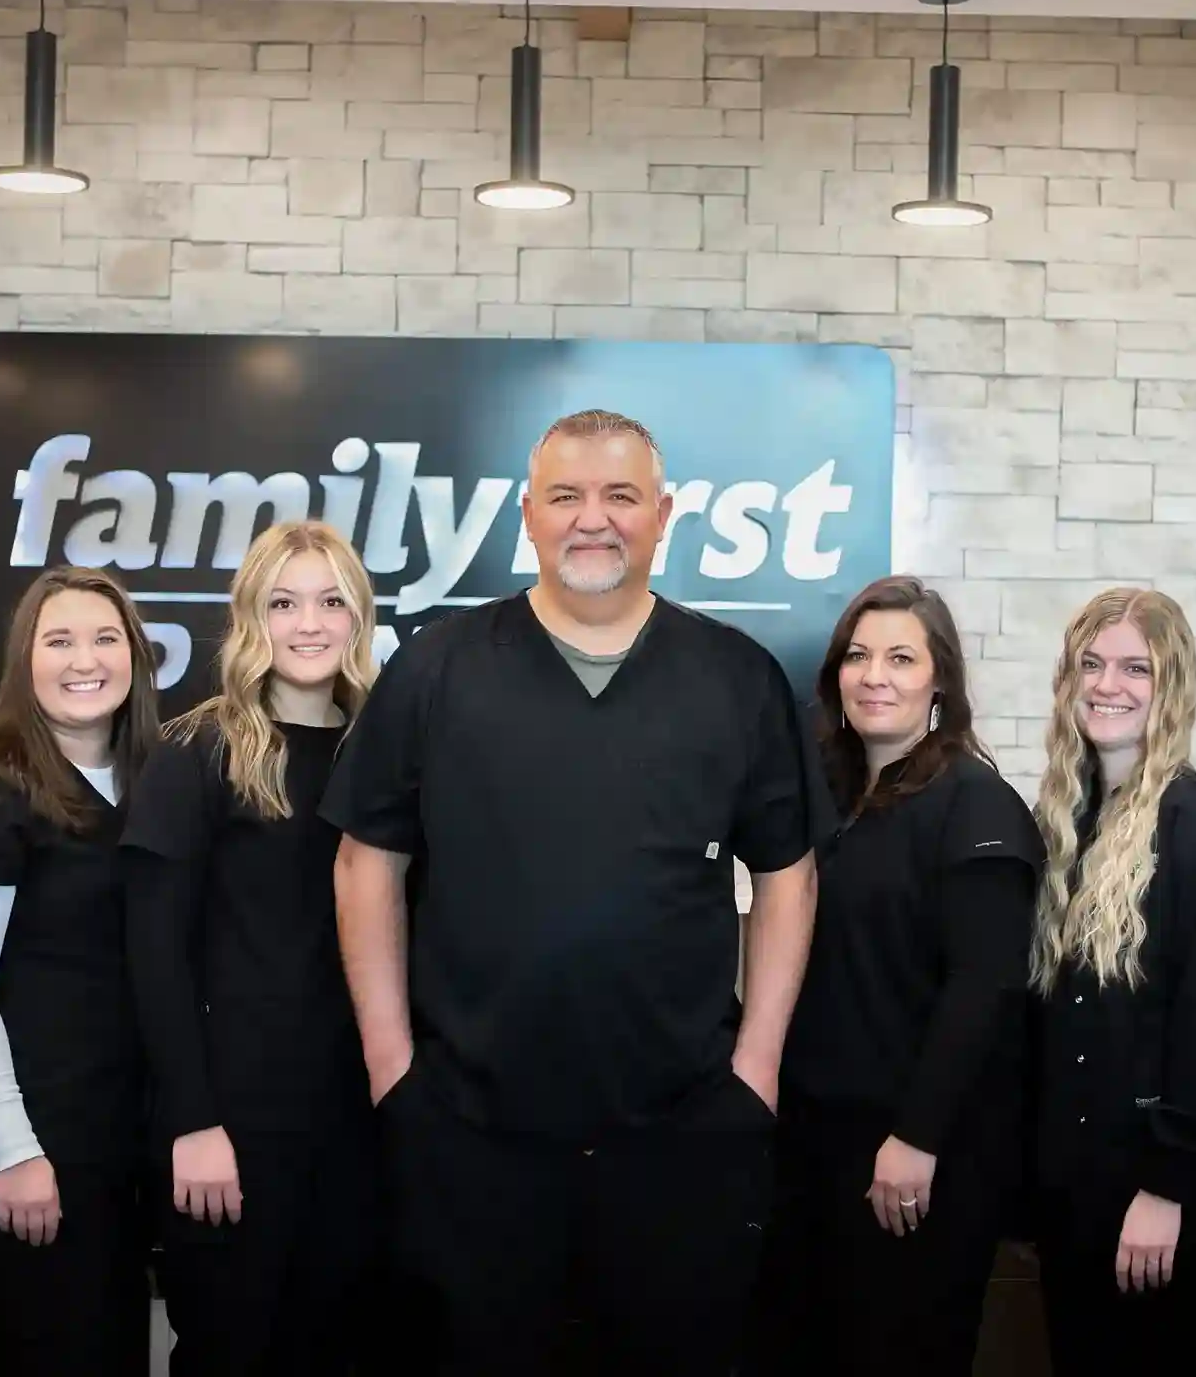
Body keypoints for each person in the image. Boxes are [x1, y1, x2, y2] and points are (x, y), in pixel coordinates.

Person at [321, 408, 822, 1376]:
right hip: (472, 1132)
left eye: (621, 495)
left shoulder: (735, 675)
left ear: (665, 514)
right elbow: (364, 861)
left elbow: (789, 874)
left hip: (680, 1132)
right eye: (567, 495)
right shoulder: (438, 664)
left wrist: (754, 1066)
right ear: (529, 513)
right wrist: (393, 1064)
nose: (594, 518)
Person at [753, 576, 1043, 1376]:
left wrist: (916, 1138)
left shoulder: (977, 806)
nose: (874, 675)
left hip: (917, 1159)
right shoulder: (832, 797)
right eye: (858, 655)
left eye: (901, 657)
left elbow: (983, 988)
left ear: (938, 679)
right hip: (821, 1143)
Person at [121, 521, 382, 1376]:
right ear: (250, 618)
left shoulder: (385, 756)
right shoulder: (196, 751)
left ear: (359, 618)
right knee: (231, 1349)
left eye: (330, 601)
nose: (309, 623)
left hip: (357, 1123)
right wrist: (193, 1122)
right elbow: (155, 954)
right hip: (230, 1122)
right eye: (283, 602)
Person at [0, 566, 160, 1375]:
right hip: (29, 1146)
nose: (82, 659)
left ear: (134, 655)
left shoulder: (152, 785)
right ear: (25, 661)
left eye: (103, 637)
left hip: (114, 1143)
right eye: (58, 641)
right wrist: (14, 1152)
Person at [1028, 587, 1196, 1377]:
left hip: (1163, 1200)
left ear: (1174, 686)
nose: (1109, 685)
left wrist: (1166, 1191)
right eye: (1091, 665)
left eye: (1137, 667)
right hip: (1078, 1192)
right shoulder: (1065, 822)